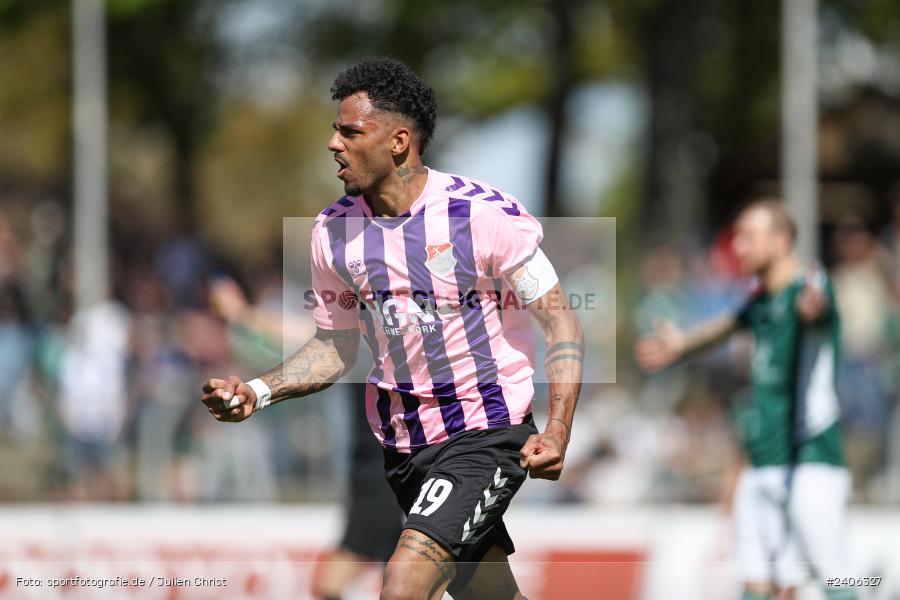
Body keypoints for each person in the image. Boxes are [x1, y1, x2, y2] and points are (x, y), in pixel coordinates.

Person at [201, 57, 583, 600]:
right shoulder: (332, 232)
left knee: (403, 583)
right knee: (493, 596)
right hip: (402, 446)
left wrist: (559, 429)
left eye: (350, 131)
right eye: (335, 129)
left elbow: (561, 321)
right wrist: (258, 391)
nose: (334, 143)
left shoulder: (481, 214)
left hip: (485, 431)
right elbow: (335, 347)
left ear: (399, 141)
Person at [636, 201, 856, 600]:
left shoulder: (806, 287)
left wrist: (815, 303)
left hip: (811, 463)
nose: (738, 246)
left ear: (781, 241)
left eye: (748, 236)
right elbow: (727, 325)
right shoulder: (761, 304)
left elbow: (818, 300)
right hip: (762, 466)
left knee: (837, 584)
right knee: (755, 586)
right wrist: (682, 343)